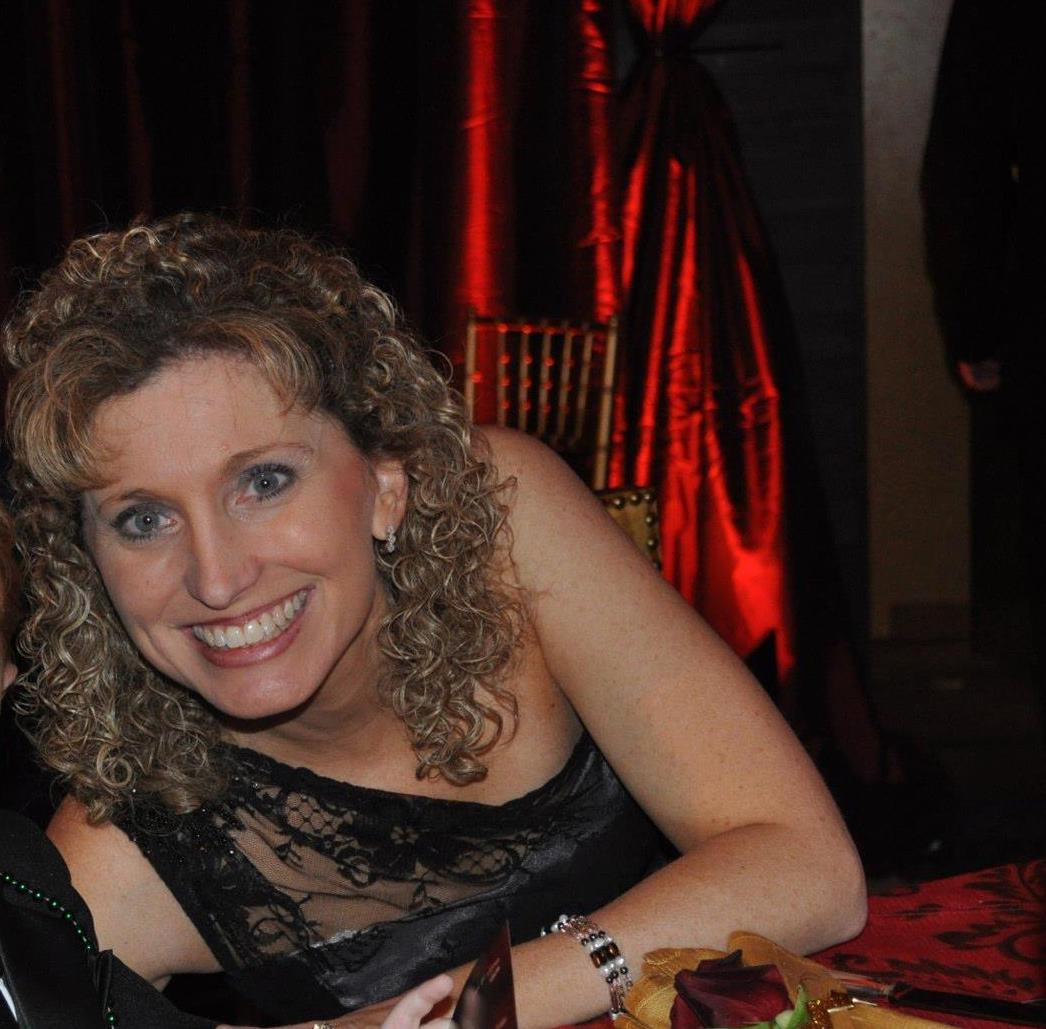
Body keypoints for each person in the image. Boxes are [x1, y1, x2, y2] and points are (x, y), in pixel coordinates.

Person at [1, 214, 865, 1028]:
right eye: (143, 519)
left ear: (385, 483)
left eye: (263, 481)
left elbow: (811, 867)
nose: (218, 578)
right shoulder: (122, 850)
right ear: (88, 564)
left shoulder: (505, 524)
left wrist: (467, 1010)